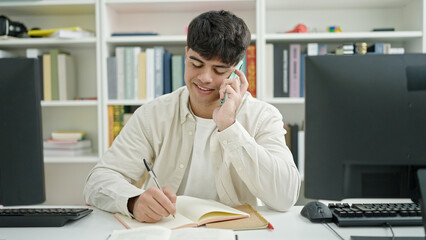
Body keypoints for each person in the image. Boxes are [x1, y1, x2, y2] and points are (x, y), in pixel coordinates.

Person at [84, 10, 300, 223]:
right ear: (186, 54)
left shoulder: (262, 116)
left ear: (237, 69)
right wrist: (133, 201)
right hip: (167, 231)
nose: (205, 78)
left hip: (235, 232)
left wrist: (229, 126)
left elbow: (285, 197)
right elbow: (98, 180)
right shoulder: (154, 114)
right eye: (196, 64)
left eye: (219, 69)